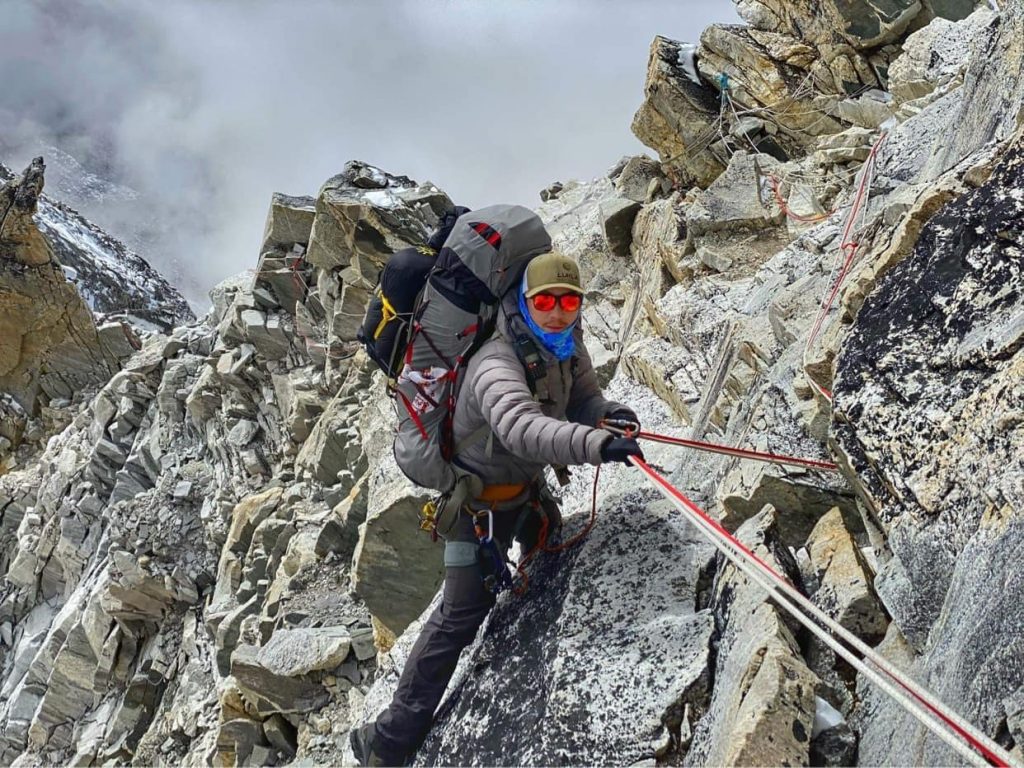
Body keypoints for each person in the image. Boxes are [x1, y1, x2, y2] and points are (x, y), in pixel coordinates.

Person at [351, 250, 644, 766]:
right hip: (477, 507)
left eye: (570, 301)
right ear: (524, 302)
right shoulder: (495, 361)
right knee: (458, 618)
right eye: (546, 301)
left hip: (523, 491)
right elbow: (519, 427)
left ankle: (526, 594)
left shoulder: (566, 345)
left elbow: (582, 401)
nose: (558, 312)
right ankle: (388, 741)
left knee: (548, 544)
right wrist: (596, 445)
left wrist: (609, 416)